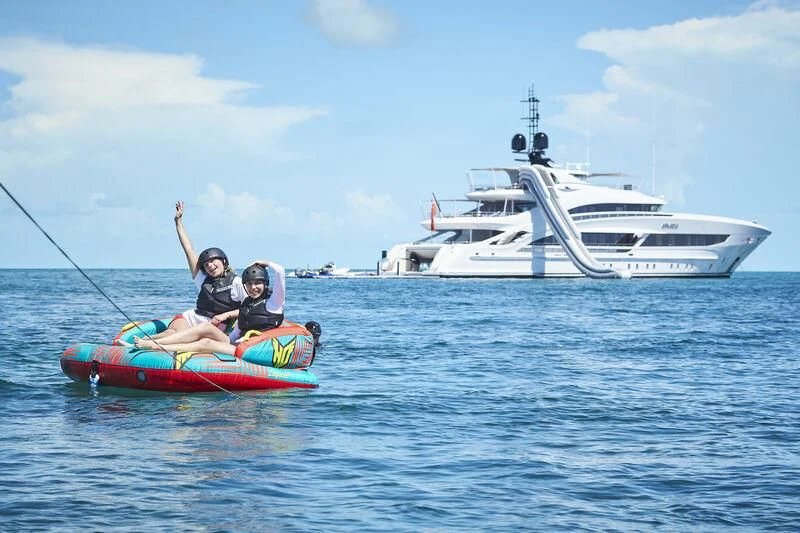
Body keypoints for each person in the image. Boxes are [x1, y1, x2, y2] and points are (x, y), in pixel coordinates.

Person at [143, 201, 246, 342]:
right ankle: (139, 343)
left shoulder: (236, 282)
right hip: (191, 317)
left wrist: (226, 315)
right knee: (173, 331)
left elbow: (248, 308)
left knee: (178, 336)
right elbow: (189, 249)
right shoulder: (203, 279)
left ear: (223, 261)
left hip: (212, 326)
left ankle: (146, 343)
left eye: (213, 261)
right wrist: (178, 221)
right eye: (206, 264)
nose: (210, 266)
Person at [134, 260, 286, 355]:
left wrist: (264, 262)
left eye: (258, 283)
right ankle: (155, 343)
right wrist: (223, 338)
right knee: (206, 328)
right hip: (238, 345)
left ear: (265, 284)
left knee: (205, 343)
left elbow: (280, 272)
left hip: (254, 350)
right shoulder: (246, 304)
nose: (254, 287)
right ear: (245, 285)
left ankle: (154, 346)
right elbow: (236, 334)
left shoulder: (274, 304)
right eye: (250, 284)